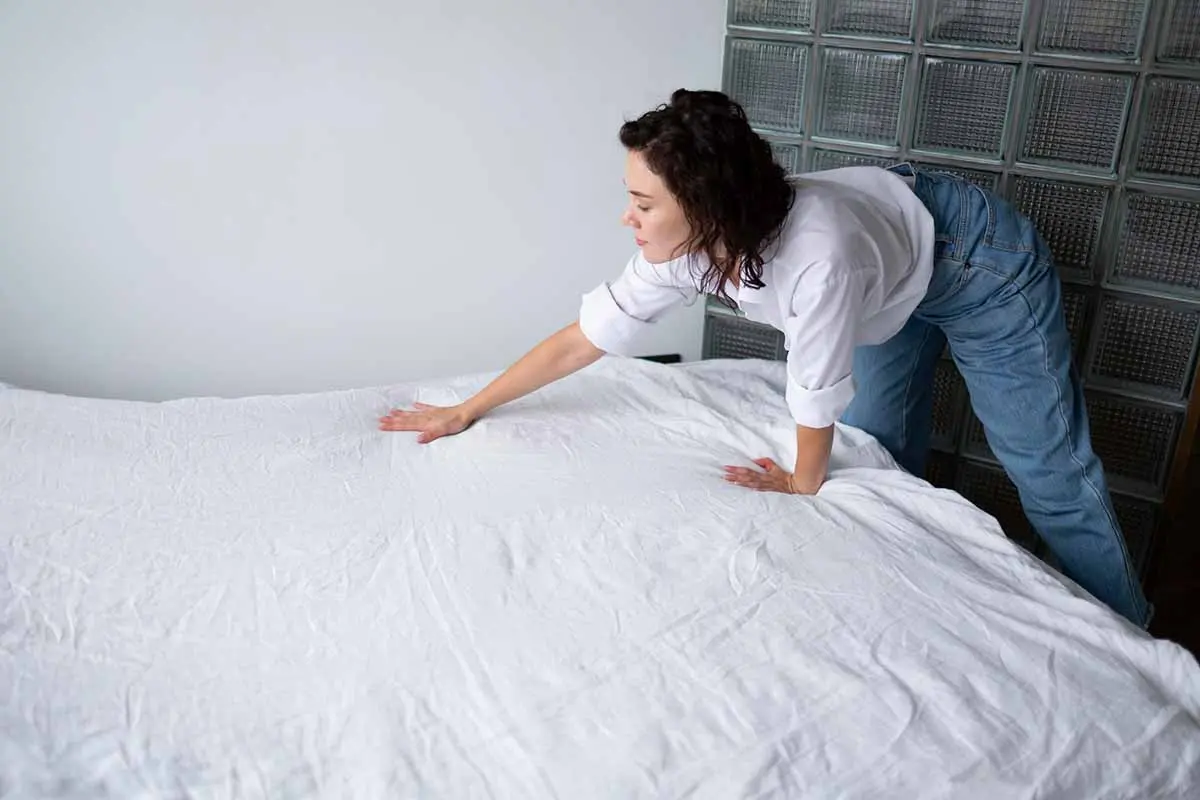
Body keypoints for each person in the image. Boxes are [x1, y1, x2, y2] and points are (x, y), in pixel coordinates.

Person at [378, 88, 1151, 629]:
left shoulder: (816, 256)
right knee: (880, 449)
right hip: (889, 264)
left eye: (642, 203)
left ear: (705, 207)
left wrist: (801, 479)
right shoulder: (683, 250)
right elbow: (583, 338)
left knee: (1044, 468)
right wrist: (469, 407)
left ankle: (1128, 635)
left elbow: (814, 394)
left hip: (973, 259)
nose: (627, 216)